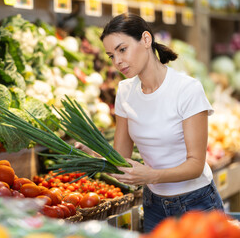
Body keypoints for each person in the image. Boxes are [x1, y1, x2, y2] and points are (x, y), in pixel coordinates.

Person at [75, 13, 223, 233]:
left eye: (122, 49)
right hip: (154, 205)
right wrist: (93, 152)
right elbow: (121, 158)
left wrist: (152, 175)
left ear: (146, 40)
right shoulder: (125, 91)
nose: (117, 61)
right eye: (111, 56)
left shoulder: (186, 89)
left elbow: (195, 165)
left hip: (196, 203)